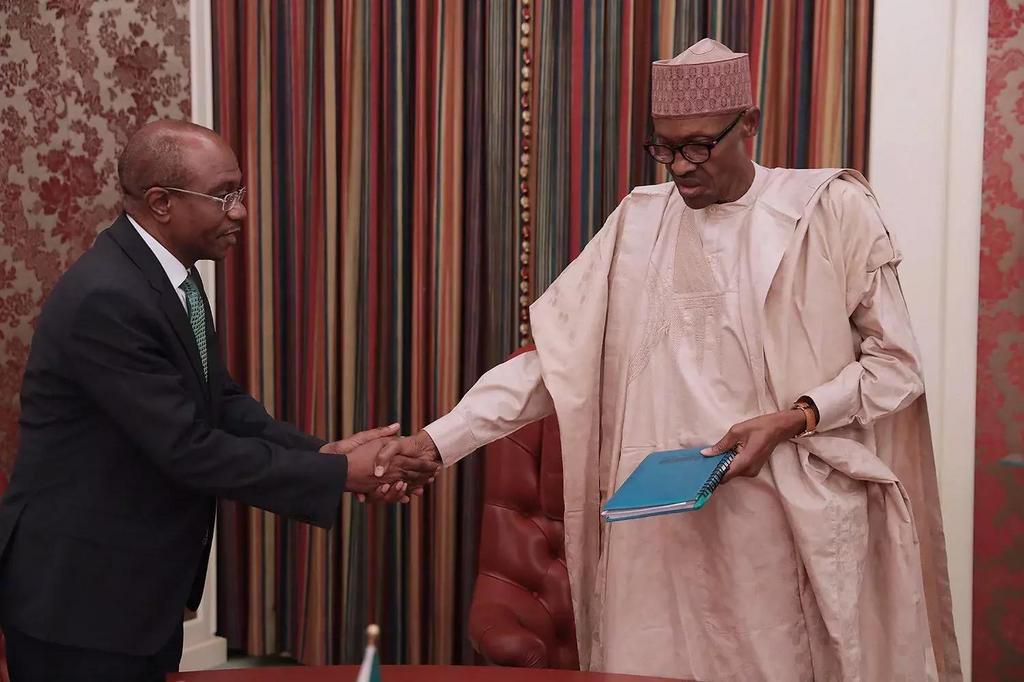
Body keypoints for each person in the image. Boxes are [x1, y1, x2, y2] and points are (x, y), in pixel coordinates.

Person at [378, 39, 961, 681]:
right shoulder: (638, 222)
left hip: (776, 529)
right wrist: (438, 442)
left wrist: (795, 417)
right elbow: (552, 365)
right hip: (654, 535)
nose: (680, 168)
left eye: (699, 146)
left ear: (749, 125)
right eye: (665, 148)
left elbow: (896, 366)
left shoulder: (827, 210)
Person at [0, 120, 439, 682]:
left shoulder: (171, 278)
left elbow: (221, 402)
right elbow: (187, 448)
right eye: (224, 195)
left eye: (240, 192)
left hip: (131, 593)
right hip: (79, 600)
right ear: (161, 203)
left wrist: (323, 453)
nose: (241, 212)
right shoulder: (108, 297)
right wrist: (339, 474)